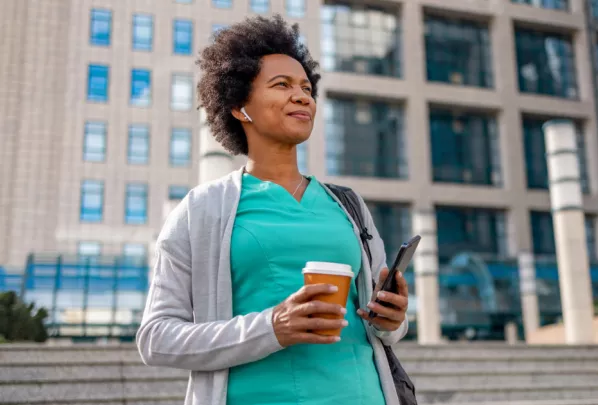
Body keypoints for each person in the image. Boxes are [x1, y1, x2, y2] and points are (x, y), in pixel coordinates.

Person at [136, 15, 409, 405]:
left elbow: (382, 331)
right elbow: (156, 339)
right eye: (281, 85)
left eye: (306, 87)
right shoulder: (202, 210)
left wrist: (392, 319)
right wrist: (271, 328)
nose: (302, 96)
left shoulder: (348, 206)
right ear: (238, 106)